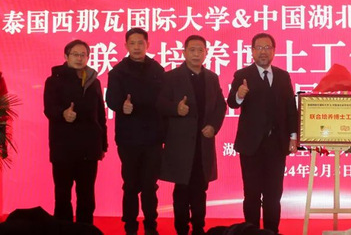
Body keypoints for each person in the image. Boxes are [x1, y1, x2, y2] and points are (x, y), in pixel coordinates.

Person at [227, 33, 298, 235]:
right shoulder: (242, 75)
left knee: (273, 195)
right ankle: (250, 232)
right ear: (252, 51)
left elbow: (290, 108)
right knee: (251, 194)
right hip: (251, 145)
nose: (263, 52)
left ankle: (271, 231)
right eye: (259, 48)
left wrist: (293, 137)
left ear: (274, 51)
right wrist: (239, 95)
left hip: (277, 144)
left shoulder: (283, 76)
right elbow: (231, 103)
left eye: (267, 48)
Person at [158, 35, 227, 235]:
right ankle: (181, 229)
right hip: (180, 144)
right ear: (184, 52)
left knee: (200, 189)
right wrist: (175, 109)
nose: (196, 54)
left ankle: (198, 228)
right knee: (181, 190)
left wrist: (213, 126)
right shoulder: (171, 77)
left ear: (206, 53)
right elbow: (160, 104)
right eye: (192, 50)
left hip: (203, 143)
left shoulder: (212, 78)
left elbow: (220, 106)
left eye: (200, 50)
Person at [106, 28, 165, 235]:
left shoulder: (158, 70)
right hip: (128, 138)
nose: (137, 47)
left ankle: (151, 226)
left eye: (140, 43)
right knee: (130, 185)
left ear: (147, 45)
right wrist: (122, 106)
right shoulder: (117, 72)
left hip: (153, 138)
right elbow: (111, 100)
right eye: (132, 43)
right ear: (126, 46)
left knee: (150, 186)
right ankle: (130, 227)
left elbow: (163, 101)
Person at [43, 39, 108, 225]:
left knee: (86, 195)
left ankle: (85, 229)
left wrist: (103, 144)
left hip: (89, 148)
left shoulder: (93, 82)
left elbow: (100, 115)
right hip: (63, 147)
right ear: (66, 56)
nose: (79, 58)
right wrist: (63, 114)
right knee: (63, 194)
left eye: (83, 55)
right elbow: (49, 109)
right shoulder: (54, 80)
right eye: (75, 54)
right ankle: (62, 230)